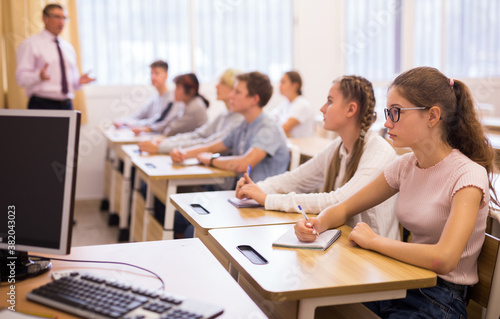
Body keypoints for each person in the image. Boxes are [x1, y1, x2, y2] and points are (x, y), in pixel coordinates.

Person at [295, 66, 499, 318]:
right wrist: (317, 223)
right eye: (387, 112)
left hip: (440, 298)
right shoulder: (405, 165)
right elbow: (345, 207)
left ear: (433, 116)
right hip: (403, 279)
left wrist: (375, 242)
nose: (387, 122)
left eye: (396, 112)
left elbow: (444, 259)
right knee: (315, 299)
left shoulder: (467, 175)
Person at [236, 75, 399, 240]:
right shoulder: (337, 147)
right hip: (346, 242)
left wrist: (268, 199)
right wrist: (256, 188)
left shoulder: (379, 152)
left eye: (330, 101)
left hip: (375, 257)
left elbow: (337, 202)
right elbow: (295, 179)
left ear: (351, 109)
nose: (322, 108)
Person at [170, 71, 290, 184]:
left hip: (262, 201)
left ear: (255, 99)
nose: (231, 96)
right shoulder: (244, 124)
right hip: (243, 195)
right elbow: (212, 147)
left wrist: (211, 160)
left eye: (237, 92)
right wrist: (183, 153)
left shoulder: (268, 129)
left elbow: (244, 164)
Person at [137, 68, 243, 154]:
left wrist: (161, 147)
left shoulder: (237, 120)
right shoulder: (224, 115)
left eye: (223, 83)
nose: (216, 85)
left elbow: (207, 143)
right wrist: (164, 143)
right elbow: (197, 135)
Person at [16, 3, 95, 110]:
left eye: (64, 18)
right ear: (45, 18)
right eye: (57, 17)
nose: (61, 22)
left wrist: (78, 81)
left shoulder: (68, 48)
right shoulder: (30, 44)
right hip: (41, 105)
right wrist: (38, 76)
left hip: (66, 105)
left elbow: (71, 83)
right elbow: (20, 79)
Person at [132, 73, 208, 136]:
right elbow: (167, 123)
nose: (174, 91)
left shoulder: (195, 106)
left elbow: (171, 131)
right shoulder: (184, 104)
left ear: (191, 91)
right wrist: (148, 129)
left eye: (178, 88)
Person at [114, 60, 175, 130]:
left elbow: (157, 121)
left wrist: (130, 123)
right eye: (151, 73)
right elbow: (139, 115)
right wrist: (122, 121)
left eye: (157, 73)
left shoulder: (171, 99)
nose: (153, 77)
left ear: (166, 75)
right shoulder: (155, 98)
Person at [269, 71, 315, 138]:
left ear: (295, 85)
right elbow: (270, 119)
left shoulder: (302, 104)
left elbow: (283, 129)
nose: (280, 85)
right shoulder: (285, 104)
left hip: (302, 146)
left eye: (283, 82)